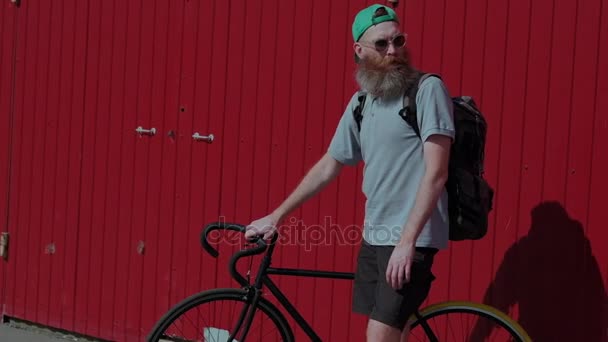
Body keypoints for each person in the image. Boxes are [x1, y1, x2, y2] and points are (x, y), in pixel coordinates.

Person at [245, 4, 455, 341]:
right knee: (394, 333)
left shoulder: (426, 91)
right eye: (382, 44)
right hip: (375, 237)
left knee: (377, 337)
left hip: (409, 240)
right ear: (359, 50)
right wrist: (276, 216)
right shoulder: (362, 103)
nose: (393, 50)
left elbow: (436, 174)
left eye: (398, 40)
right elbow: (330, 164)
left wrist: (407, 243)